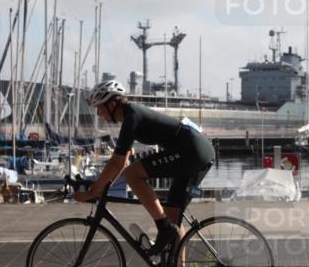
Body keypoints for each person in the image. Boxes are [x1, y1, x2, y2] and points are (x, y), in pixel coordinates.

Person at [74, 80, 215, 257]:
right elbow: (122, 157)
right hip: (191, 151)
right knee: (173, 217)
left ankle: (163, 228)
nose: (98, 113)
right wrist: (102, 183)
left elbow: (118, 163)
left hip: (192, 151)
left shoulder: (132, 115)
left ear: (112, 104)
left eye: (99, 107)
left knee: (133, 174)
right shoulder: (130, 116)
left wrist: (94, 191)